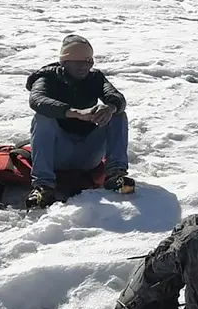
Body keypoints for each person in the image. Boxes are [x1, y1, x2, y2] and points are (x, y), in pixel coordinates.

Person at [24, 34, 134, 208]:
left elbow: (116, 98)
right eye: (78, 62)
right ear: (64, 62)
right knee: (42, 117)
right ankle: (43, 186)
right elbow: (37, 100)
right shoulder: (47, 78)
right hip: (58, 153)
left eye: (88, 62)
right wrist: (74, 113)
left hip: (88, 153)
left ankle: (116, 175)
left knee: (118, 114)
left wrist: (109, 108)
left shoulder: (95, 78)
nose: (84, 67)